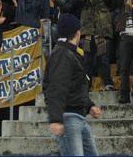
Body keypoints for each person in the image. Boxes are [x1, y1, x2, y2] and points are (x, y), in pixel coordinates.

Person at [43, 13, 101, 156]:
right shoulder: (64, 54)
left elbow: (75, 85)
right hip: (68, 118)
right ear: (77, 32)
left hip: (78, 116)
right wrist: (56, 119)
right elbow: (56, 87)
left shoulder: (70, 53)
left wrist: (88, 105)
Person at [75, 0, 115, 91]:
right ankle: (86, 85)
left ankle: (107, 83)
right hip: (88, 35)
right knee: (87, 62)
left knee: (104, 61)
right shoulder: (84, 1)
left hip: (102, 34)